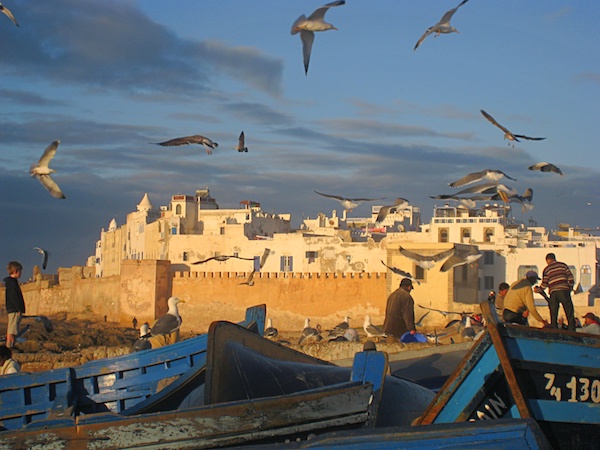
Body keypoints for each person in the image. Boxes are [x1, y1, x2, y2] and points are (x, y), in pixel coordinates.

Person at [534, 253, 575, 331]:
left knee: (553, 313)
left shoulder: (546, 269)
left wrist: (538, 290)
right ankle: (572, 330)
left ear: (547, 260)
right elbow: (571, 278)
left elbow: (544, 284)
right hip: (564, 291)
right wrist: (569, 288)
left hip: (553, 293)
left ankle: (554, 330)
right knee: (569, 312)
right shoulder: (563, 265)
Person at [3, 261, 26, 348]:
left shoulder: (11, 283)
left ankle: (10, 345)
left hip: (12, 309)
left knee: (12, 329)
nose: (21, 273)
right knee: (12, 330)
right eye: (20, 271)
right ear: (15, 271)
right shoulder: (12, 283)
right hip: (14, 309)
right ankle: (9, 347)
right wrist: (19, 309)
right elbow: (14, 297)